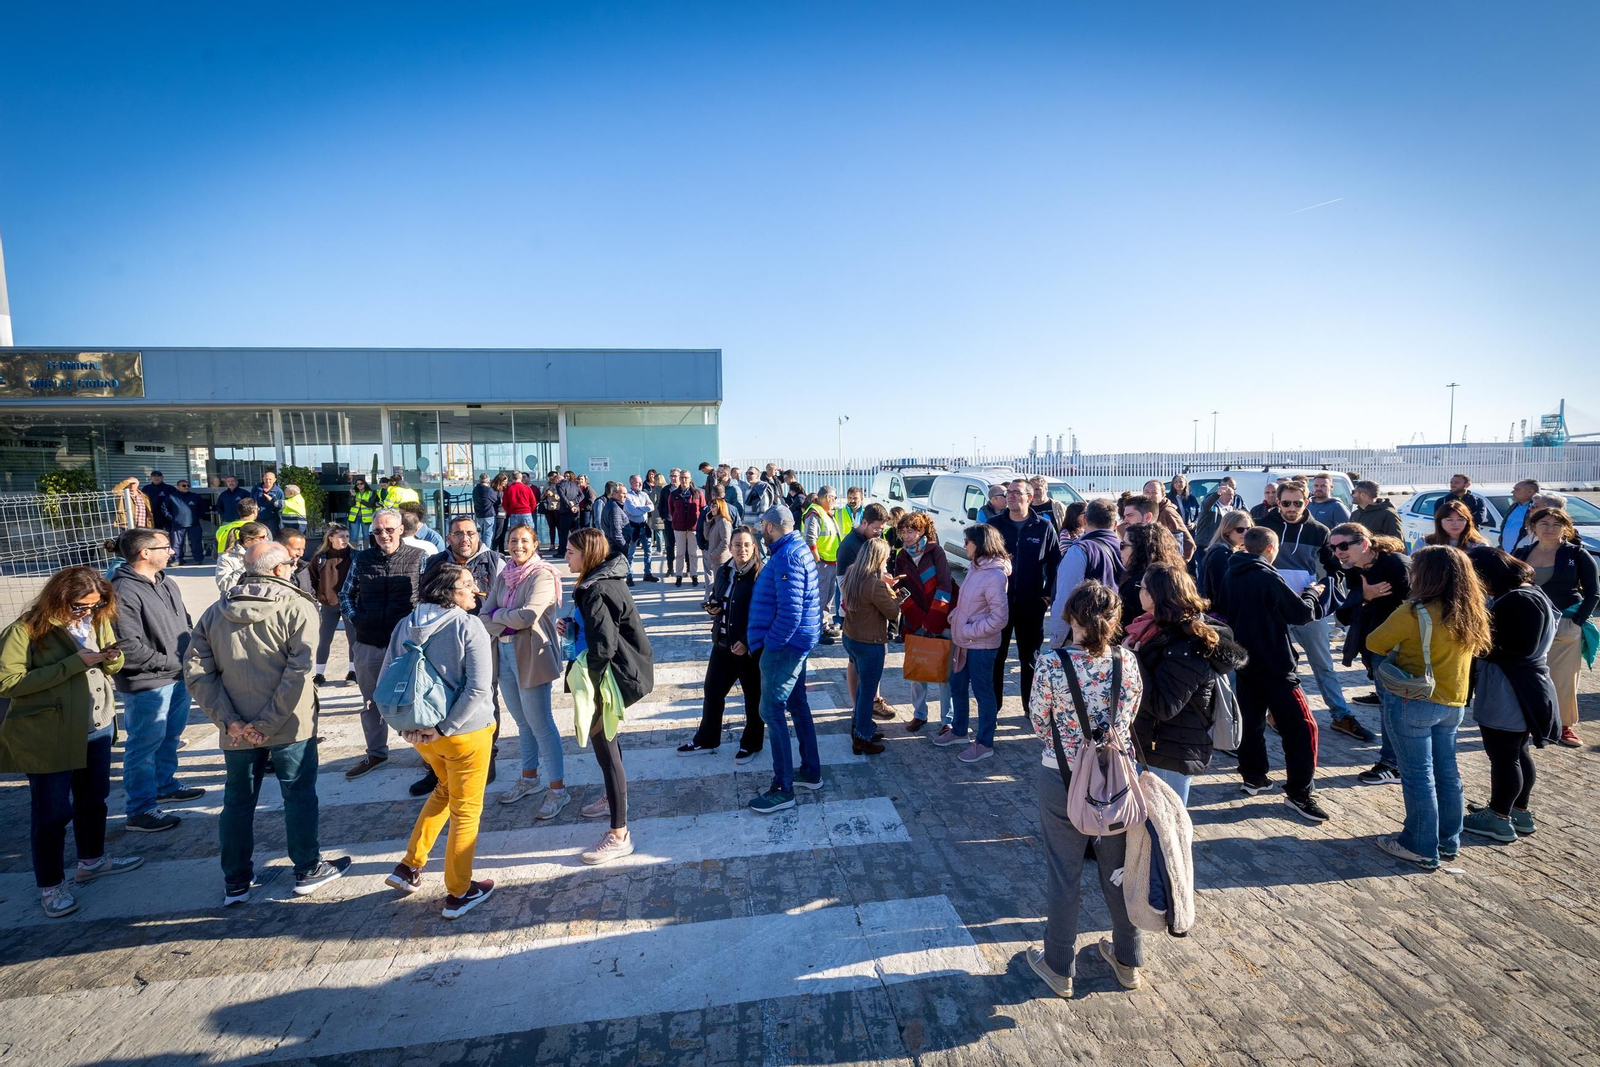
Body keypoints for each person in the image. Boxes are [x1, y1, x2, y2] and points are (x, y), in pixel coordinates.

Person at [186, 541, 351, 904]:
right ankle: (307, 869)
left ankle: (236, 881)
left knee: (238, 802)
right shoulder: (297, 607)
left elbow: (197, 672)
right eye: (290, 563)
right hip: (289, 725)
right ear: (278, 570)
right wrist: (267, 722)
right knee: (298, 796)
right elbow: (300, 672)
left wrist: (229, 721)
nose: (294, 567)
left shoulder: (216, 611)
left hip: (237, 729)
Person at [1026, 580, 1146, 999]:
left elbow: (1039, 722)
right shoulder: (1126, 662)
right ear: (1115, 621)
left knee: (1065, 873)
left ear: (1070, 617)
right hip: (1115, 780)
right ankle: (1128, 958)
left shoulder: (1052, 663)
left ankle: (1059, 964)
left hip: (1061, 777)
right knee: (1119, 871)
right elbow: (1129, 717)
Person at [0, 567, 142, 918]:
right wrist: (73, 664)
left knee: (94, 800)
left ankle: (92, 861)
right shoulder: (24, 630)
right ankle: (50, 885)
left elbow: (112, 663)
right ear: (59, 598)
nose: (88, 613)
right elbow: (8, 683)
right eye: (81, 606)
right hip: (50, 734)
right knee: (51, 814)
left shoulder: (96, 620)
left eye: (95, 606)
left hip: (96, 725)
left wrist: (112, 658)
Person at [380, 563, 499, 917]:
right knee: (466, 812)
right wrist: (446, 727)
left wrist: (405, 727)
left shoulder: (407, 623)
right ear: (448, 591)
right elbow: (479, 688)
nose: (474, 588)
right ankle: (460, 891)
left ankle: (410, 865)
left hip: (421, 733)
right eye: (466, 584)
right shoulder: (467, 625)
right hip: (464, 734)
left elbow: (387, 679)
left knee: (444, 792)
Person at [1366, 546, 1493, 869]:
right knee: (1447, 773)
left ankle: (1420, 844)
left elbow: (1374, 643)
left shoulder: (1414, 612)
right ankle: (1448, 840)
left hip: (1415, 700)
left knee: (1418, 775)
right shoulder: (1471, 609)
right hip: (1453, 701)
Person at [560, 528, 653, 863]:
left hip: (605, 679)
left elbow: (604, 645)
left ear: (588, 555)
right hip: (609, 674)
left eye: (571, 552)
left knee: (606, 748)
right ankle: (613, 800)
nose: (565, 556)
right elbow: (598, 630)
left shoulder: (596, 589)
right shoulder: (600, 581)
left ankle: (619, 833)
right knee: (608, 747)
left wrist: (591, 684)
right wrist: (571, 628)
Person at [1225, 527, 1329, 822]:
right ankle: (1300, 794)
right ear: (1272, 549)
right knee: (1303, 728)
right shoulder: (1267, 575)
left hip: (1245, 659)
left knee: (1252, 721)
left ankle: (1254, 776)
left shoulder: (1231, 570)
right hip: (1275, 663)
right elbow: (1301, 614)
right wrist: (1311, 593)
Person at [1262, 480, 1375, 741]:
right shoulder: (1264, 526)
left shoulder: (1319, 531)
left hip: (1308, 608)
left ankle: (1341, 715)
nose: (1291, 508)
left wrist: (1323, 591)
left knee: (1323, 664)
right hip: (1273, 608)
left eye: (1297, 503)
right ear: (1277, 502)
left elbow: (1335, 568)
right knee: (1278, 665)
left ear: (1307, 501)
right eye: (1286, 503)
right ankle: (1277, 713)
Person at [1463, 549, 1560, 843]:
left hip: (1509, 686)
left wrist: (1472, 639)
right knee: (1517, 751)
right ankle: (1517, 810)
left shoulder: (1518, 600)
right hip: (1523, 683)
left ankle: (1499, 817)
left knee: (1504, 755)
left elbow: (1516, 647)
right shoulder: (1531, 592)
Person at [1130, 564, 1247, 805]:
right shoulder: (1156, 629)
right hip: (1155, 746)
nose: (1137, 592)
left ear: (1154, 596)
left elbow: (1164, 706)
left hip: (1168, 754)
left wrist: (1134, 661)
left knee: (1164, 833)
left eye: (1140, 587)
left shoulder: (1185, 646)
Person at [110, 528, 201, 832]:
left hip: (176, 675)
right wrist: (169, 662)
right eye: (165, 547)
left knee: (170, 736)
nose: (172, 551)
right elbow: (127, 646)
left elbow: (184, 622)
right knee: (143, 745)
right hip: (147, 683)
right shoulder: (122, 591)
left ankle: (165, 784)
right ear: (144, 553)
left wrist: (187, 657)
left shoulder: (166, 581)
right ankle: (140, 809)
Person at [479, 523, 567, 817]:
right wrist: (505, 618)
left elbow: (530, 615)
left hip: (532, 655)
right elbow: (482, 615)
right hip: (503, 653)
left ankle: (558, 790)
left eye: (525, 540)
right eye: (513, 540)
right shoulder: (504, 575)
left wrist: (497, 616)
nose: (518, 545)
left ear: (535, 544)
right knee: (523, 723)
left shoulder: (542, 575)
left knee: (541, 724)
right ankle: (530, 778)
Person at [339, 508, 428, 779]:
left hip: (406, 646)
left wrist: (416, 628)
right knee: (371, 702)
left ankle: (427, 756)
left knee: (415, 699)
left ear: (402, 529)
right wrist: (359, 620)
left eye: (389, 529)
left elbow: (427, 596)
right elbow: (346, 594)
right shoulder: (362, 559)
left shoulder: (419, 557)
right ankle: (376, 752)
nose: (384, 535)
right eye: (378, 531)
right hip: (369, 643)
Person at [745, 506, 823, 812]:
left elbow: (791, 613)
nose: (761, 530)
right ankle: (811, 771)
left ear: (771, 527)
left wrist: (771, 646)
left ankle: (783, 788)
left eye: (763, 525)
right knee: (797, 704)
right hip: (795, 644)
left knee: (772, 710)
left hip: (785, 648)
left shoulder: (788, 556)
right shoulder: (795, 548)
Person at [1325, 522, 1411, 783]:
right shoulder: (1354, 571)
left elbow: (1412, 607)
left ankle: (1393, 764)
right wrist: (1365, 595)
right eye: (1333, 547)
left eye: (1343, 546)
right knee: (1389, 706)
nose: (1338, 552)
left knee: (1395, 708)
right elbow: (1343, 614)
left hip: (1399, 649)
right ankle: (1395, 761)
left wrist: (1362, 599)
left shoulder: (1395, 564)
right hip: (1375, 647)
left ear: (1364, 543)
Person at [680, 527, 769, 760]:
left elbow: (765, 614)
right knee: (712, 691)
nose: (742, 549)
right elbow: (719, 598)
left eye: (747, 545)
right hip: (721, 644)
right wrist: (713, 605)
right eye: (737, 545)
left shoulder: (761, 575)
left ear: (754, 547)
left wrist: (748, 642)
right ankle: (707, 739)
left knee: (752, 697)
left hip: (747, 650)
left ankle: (752, 744)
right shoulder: (724, 571)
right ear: (730, 547)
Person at [1514, 508, 1599, 748]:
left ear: (1566, 528)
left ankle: (1563, 726)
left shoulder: (1577, 554)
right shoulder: (1522, 552)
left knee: (1562, 678)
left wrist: (1576, 622)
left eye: (1556, 523)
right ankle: (1530, 722)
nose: (1549, 528)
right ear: (1533, 527)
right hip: (1528, 625)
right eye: (1543, 523)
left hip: (1564, 624)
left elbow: (1593, 592)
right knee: (1528, 676)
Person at [989, 479, 1061, 714]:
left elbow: (1054, 563)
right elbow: (981, 561)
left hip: (1031, 605)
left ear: (1029, 498)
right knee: (996, 659)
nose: (1010, 496)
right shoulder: (993, 526)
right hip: (998, 603)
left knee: (1029, 659)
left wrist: (1047, 595)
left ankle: (1031, 710)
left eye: (1016, 493)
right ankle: (993, 709)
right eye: (1008, 492)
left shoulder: (1043, 527)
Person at [941, 524, 1010, 763]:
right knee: (957, 686)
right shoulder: (975, 567)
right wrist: (956, 617)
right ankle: (959, 731)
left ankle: (984, 743)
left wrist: (970, 629)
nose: (964, 545)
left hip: (981, 646)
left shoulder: (995, 574)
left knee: (983, 693)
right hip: (963, 642)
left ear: (980, 544)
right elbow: (970, 603)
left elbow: (999, 617)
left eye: (967, 541)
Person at [834, 537, 899, 757]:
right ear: (879, 558)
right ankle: (862, 738)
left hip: (851, 639)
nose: (887, 562)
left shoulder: (853, 572)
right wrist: (895, 597)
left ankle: (861, 728)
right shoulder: (875, 585)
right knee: (867, 693)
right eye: (886, 558)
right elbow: (892, 612)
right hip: (870, 643)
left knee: (862, 689)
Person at [892, 511, 955, 733]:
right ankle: (919, 714)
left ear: (921, 532)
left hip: (940, 619)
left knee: (945, 673)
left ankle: (948, 719)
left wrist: (934, 618)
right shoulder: (901, 555)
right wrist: (917, 616)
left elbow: (945, 584)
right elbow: (899, 589)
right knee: (918, 669)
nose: (906, 536)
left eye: (911, 531)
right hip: (915, 618)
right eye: (903, 531)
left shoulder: (935, 551)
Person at [1050, 499, 1125, 646]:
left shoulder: (1080, 550)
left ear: (1084, 520)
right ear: (1115, 524)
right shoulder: (1127, 548)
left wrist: (1057, 639)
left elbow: (1065, 596)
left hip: (1084, 636)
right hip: (1116, 631)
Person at [309, 523, 355, 688]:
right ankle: (319, 674)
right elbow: (312, 578)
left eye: (347, 536)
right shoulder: (320, 557)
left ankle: (353, 672)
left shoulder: (355, 556)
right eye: (341, 536)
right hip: (329, 604)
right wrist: (319, 595)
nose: (345, 540)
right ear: (331, 538)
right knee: (324, 640)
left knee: (353, 639)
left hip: (350, 603)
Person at [1117, 523, 1183, 631]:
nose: (1120, 550)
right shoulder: (1174, 577)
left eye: (1123, 545)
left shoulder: (1138, 584)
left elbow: (1124, 623)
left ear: (1139, 549)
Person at [803, 486, 844, 642]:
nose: (835, 501)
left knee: (828, 597)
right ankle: (817, 631)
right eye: (834, 497)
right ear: (828, 497)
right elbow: (810, 540)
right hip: (822, 563)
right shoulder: (814, 513)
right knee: (820, 598)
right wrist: (817, 560)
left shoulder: (824, 513)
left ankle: (824, 624)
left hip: (831, 561)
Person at [1197, 511, 1251, 611]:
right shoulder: (1220, 554)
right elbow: (1219, 591)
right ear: (1227, 531)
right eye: (1240, 530)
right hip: (1218, 613)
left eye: (1248, 529)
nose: (1245, 533)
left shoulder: (1233, 551)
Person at [1141, 479, 1195, 561]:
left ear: (1163, 495)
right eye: (1147, 492)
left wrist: (1176, 565)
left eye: (1154, 492)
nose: (1150, 495)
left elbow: (1188, 543)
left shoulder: (1168, 513)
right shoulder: (1147, 511)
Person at [668, 469, 705, 586]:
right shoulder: (673, 494)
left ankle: (694, 574)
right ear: (679, 479)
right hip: (679, 527)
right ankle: (679, 575)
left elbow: (703, 508)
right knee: (679, 552)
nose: (684, 480)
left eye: (686, 478)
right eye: (682, 478)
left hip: (693, 527)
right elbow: (671, 510)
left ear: (690, 479)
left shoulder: (697, 493)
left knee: (693, 552)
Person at [161, 478, 210, 564]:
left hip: (194, 524)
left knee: (196, 543)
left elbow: (203, 507)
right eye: (184, 485)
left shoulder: (195, 496)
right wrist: (172, 518)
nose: (186, 487)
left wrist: (197, 517)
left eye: (188, 485)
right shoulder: (172, 497)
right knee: (177, 544)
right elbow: (164, 508)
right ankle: (176, 560)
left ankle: (198, 559)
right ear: (178, 487)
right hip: (178, 524)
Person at [622, 474, 659, 583]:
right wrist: (643, 509)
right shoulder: (628, 496)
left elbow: (651, 507)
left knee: (648, 551)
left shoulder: (644, 494)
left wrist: (640, 508)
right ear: (631, 483)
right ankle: (629, 576)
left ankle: (647, 573)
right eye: (637, 482)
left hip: (644, 525)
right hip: (633, 527)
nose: (639, 484)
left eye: (640, 482)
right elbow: (633, 511)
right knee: (631, 553)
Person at [216, 522, 270, 594]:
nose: (267, 540)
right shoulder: (226, 558)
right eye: (262, 537)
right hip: (238, 600)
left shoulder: (270, 554)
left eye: (267, 536)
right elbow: (225, 587)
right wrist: (248, 565)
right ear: (248, 540)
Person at [1193, 480, 1242, 550]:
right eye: (1229, 495)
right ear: (1221, 494)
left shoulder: (1233, 510)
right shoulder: (1211, 507)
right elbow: (1206, 503)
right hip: (1206, 545)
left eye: (1233, 495)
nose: (1231, 498)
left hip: (1224, 545)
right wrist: (1217, 494)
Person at [1499, 479, 1540, 556]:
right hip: (1507, 554)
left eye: (1517, 489)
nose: (1512, 492)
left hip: (1524, 554)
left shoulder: (1536, 509)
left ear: (1530, 492)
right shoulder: (1514, 507)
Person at [701, 486, 735, 574]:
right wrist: (708, 522)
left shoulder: (723, 522)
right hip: (715, 560)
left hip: (721, 560)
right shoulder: (716, 521)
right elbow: (707, 536)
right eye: (711, 505)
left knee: (720, 585)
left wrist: (714, 554)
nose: (711, 508)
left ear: (720, 507)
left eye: (714, 506)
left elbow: (726, 541)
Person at [346, 475, 379, 549]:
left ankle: (366, 551)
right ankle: (353, 552)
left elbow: (370, 504)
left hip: (366, 517)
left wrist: (360, 500)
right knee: (354, 535)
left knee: (366, 535)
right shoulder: (354, 492)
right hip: (354, 517)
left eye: (361, 483)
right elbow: (350, 504)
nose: (359, 485)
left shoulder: (370, 493)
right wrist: (352, 496)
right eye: (357, 484)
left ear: (365, 484)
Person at [252, 470, 285, 536]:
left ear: (275, 480)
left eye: (270, 479)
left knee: (271, 537)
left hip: (271, 519)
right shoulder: (256, 488)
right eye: (266, 479)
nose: (268, 481)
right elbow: (251, 501)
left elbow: (281, 506)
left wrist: (273, 511)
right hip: (257, 518)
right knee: (257, 536)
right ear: (263, 479)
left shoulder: (279, 491)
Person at [473, 473, 501, 549]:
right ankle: (485, 550)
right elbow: (496, 501)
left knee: (482, 534)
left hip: (479, 515)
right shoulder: (488, 490)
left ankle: (480, 549)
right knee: (488, 535)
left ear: (479, 480)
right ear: (488, 481)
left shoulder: (475, 489)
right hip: (488, 515)